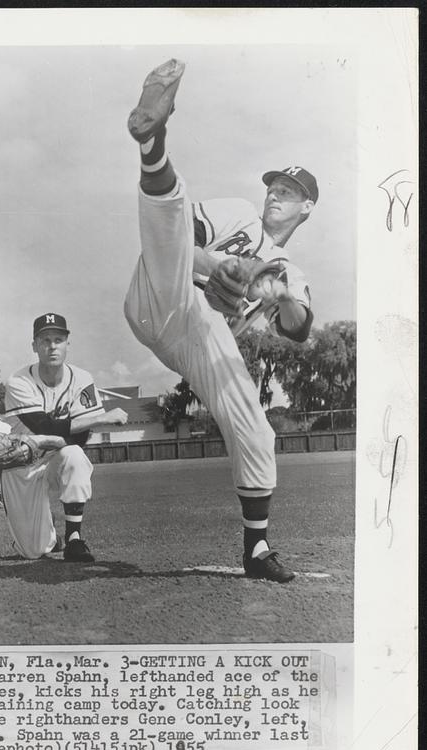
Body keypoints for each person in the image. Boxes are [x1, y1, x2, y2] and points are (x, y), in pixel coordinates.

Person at [125, 59, 318, 582]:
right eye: (274, 186)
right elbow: (176, 235)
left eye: (289, 191)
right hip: (165, 292)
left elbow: (299, 329)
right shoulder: (238, 212)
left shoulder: (291, 270)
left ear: (306, 209)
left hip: (203, 338)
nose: (276, 193)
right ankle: (152, 137)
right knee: (171, 223)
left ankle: (256, 550)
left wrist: (277, 291)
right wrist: (215, 266)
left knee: (256, 430)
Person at [2, 313, 128, 562]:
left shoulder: (81, 379)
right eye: (45, 340)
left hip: (56, 456)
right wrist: (100, 418)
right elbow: (43, 424)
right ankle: (51, 539)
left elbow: (79, 438)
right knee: (34, 551)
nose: (52, 346)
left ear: (67, 344)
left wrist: (60, 441)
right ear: (35, 346)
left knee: (75, 455)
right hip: (24, 463)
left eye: (58, 339)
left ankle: (74, 539)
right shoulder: (19, 381)